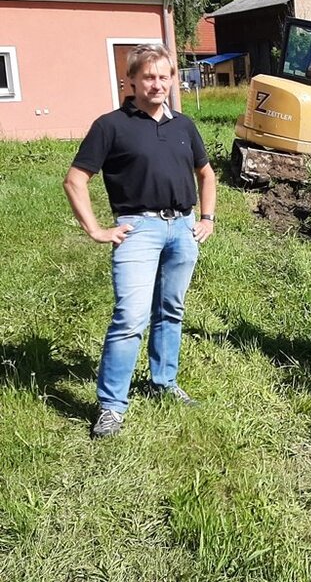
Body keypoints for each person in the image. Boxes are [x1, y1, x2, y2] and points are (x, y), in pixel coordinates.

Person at [63, 43, 216, 439]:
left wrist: (207, 218)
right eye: (148, 77)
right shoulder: (110, 126)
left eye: (164, 76)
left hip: (182, 229)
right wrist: (96, 230)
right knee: (131, 318)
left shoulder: (183, 125)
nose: (157, 84)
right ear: (130, 80)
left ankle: (163, 382)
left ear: (173, 80)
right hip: (138, 231)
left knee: (171, 311)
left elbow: (206, 174)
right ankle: (112, 406)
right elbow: (75, 180)